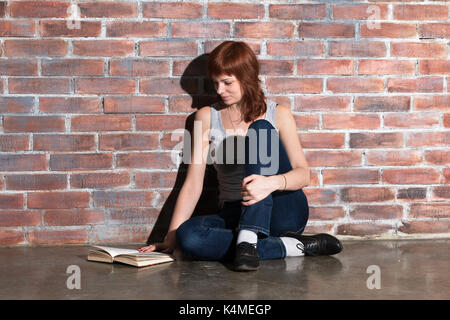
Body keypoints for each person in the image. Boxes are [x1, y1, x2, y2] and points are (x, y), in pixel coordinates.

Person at [139, 41, 342, 271]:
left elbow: (303, 174)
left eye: (227, 83)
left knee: (261, 129)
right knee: (188, 238)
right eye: (215, 83)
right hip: (235, 210)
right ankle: (290, 247)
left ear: (247, 78)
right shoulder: (206, 117)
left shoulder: (279, 114)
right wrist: (171, 237)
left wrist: (270, 184)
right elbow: (193, 184)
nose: (219, 90)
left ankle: (247, 239)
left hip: (283, 209)